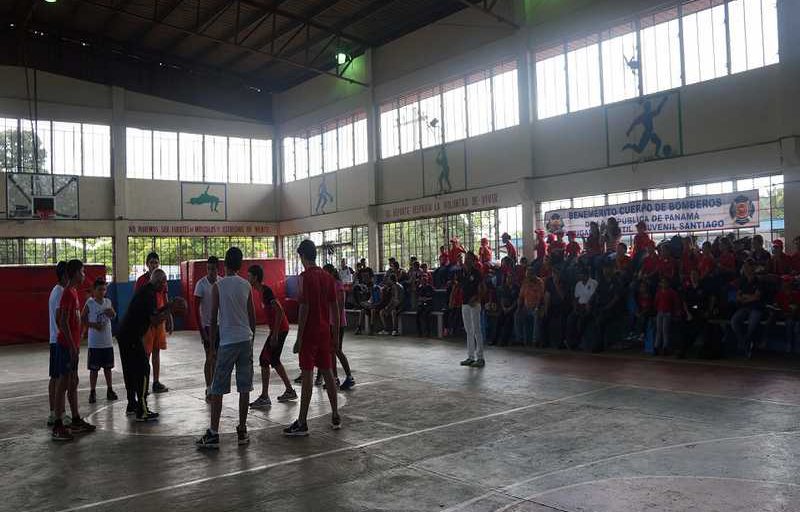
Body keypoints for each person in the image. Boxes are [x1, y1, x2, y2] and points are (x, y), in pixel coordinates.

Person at [197, 247, 257, 449]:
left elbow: (213, 318)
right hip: (244, 341)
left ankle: (213, 433)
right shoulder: (246, 285)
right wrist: (251, 340)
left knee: (218, 388)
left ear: (224, 264)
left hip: (227, 342)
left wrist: (212, 347)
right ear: (240, 265)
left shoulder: (218, 286)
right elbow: (252, 317)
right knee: (244, 387)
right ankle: (242, 430)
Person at [284, 240, 341, 437]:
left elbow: (304, 307)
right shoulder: (327, 277)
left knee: (307, 374)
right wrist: (335, 335)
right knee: (328, 372)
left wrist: (299, 338)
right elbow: (334, 307)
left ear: (302, 256)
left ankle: (302, 422)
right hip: (325, 331)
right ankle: (335, 414)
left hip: (310, 333)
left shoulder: (305, 277)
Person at [118, 269, 177, 422]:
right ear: (158, 282)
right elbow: (155, 320)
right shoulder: (149, 294)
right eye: (164, 282)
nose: (165, 285)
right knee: (143, 368)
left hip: (126, 333)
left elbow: (153, 311)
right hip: (131, 335)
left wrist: (167, 306)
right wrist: (170, 311)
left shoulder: (146, 290)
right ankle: (142, 410)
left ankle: (132, 404)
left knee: (130, 369)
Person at [51, 260, 95, 441]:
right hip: (66, 347)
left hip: (73, 346)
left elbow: (71, 320)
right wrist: (71, 345)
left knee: (73, 382)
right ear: (76, 273)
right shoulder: (67, 293)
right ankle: (58, 424)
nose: (84, 275)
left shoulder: (74, 292)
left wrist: (77, 341)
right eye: (82, 272)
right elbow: (62, 322)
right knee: (63, 383)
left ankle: (76, 419)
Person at [247, 264, 297, 408]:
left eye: (249, 276)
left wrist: (274, 334)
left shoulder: (266, 291)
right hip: (278, 329)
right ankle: (289, 390)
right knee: (274, 360)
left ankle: (265, 397)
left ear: (255, 277)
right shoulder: (260, 292)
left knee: (264, 360)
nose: (248, 278)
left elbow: (280, 311)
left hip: (280, 329)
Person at [135, 252, 170, 394]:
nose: (154, 265)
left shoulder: (162, 278)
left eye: (156, 262)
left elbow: (165, 298)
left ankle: (156, 382)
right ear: (147, 264)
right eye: (151, 262)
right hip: (147, 321)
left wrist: (169, 318)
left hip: (159, 320)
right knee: (146, 353)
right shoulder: (141, 281)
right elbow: (137, 302)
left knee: (156, 351)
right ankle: (143, 383)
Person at [82, 278, 117, 404]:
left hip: (107, 342)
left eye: (104, 289)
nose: (102, 292)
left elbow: (114, 315)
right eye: (99, 289)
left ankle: (110, 389)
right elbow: (82, 318)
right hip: (95, 343)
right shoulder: (90, 303)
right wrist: (93, 325)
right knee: (94, 370)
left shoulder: (108, 302)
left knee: (108, 369)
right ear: (94, 290)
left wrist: (111, 313)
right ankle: (92, 391)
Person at [323, 264, 355, 391]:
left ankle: (349, 376)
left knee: (337, 350)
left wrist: (335, 319)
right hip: (330, 321)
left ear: (331, 272)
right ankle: (334, 378)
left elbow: (340, 305)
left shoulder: (338, 285)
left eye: (326, 273)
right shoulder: (329, 285)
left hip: (338, 322)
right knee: (331, 351)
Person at [193, 256, 220, 399]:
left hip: (220, 326)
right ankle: (209, 388)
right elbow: (195, 309)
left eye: (213, 269)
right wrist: (202, 331)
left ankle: (215, 386)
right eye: (208, 269)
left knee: (217, 358)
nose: (210, 271)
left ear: (218, 269)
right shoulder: (201, 284)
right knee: (209, 357)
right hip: (208, 327)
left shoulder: (222, 282)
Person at [47, 261, 68, 427]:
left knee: (55, 377)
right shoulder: (60, 292)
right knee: (61, 379)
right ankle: (59, 413)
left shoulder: (56, 291)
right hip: (59, 340)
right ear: (65, 275)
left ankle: (54, 413)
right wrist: (68, 337)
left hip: (55, 339)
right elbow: (59, 318)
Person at [731, 260, 765, 359]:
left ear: (752, 268)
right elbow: (738, 296)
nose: (745, 269)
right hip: (745, 307)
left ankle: (747, 342)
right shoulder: (743, 281)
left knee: (752, 325)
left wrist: (745, 297)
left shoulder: (759, 281)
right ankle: (744, 343)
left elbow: (757, 297)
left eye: (747, 267)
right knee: (734, 321)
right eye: (744, 267)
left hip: (756, 308)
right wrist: (747, 297)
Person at [459, 252, 486, 368]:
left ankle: (480, 357)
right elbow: (461, 286)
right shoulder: (462, 272)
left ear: (473, 260)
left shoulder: (477, 273)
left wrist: (476, 298)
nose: (466, 260)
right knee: (468, 330)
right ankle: (470, 357)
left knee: (476, 330)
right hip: (465, 303)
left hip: (474, 304)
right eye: (466, 258)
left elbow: (483, 288)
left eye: (469, 259)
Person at [566, 269, 597, 350]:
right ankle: (570, 342)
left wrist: (588, 305)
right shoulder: (578, 284)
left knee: (582, 320)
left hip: (590, 306)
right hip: (579, 306)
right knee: (570, 319)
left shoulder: (593, 283)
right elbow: (576, 298)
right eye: (580, 275)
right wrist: (575, 307)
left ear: (587, 275)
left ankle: (578, 342)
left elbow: (594, 297)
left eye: (582, 275)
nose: (581, 276)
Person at [519, 267, 545, 347]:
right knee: (517, 315)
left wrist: (537, 307)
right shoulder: (525, 282)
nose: (528, 277)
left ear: (533, 274)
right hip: (526, 307)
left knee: (536, 315)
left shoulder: (539, 282)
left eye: (529, 275)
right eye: (527, 275)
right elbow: (520, 296)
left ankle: (535, 340)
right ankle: (521, 339)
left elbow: (540, 297)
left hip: (536, 307)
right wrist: (519, 308)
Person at [654, 277, 680, 355]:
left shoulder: (672, 292)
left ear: (668, 283)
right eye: (662, 282)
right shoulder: (659, 292)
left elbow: (676, 303)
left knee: (665, 331)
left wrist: (675, 312)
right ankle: (656, 347)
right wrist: (656, 310)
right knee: (658, 330)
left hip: (667, 313)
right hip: (660, 312)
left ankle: (665, 347)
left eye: (665, 282)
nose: (664, 284)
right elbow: (656, 302)